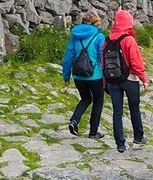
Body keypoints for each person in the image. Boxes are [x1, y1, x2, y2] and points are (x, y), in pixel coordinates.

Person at [101, 8, 148, 150]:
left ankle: (120, 144)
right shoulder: (129, 40)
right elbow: (136, 62)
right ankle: (138, 139)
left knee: (117, 112)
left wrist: (105, 82)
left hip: (113, 80)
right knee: (134, 109)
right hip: (130, 79)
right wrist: (144, 79)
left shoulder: (107, 40)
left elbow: (103, 62)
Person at [62, 9, 108, 139]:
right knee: (98, 101)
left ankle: (74, 120)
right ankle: (93, 132)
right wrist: (106, 76)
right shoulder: (99, 37)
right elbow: (101, 57)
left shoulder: (75, 37)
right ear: (96, 23)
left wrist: (66, 76)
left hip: (78, 75)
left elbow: (68, 57)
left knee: (85, 98)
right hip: (95, 75)